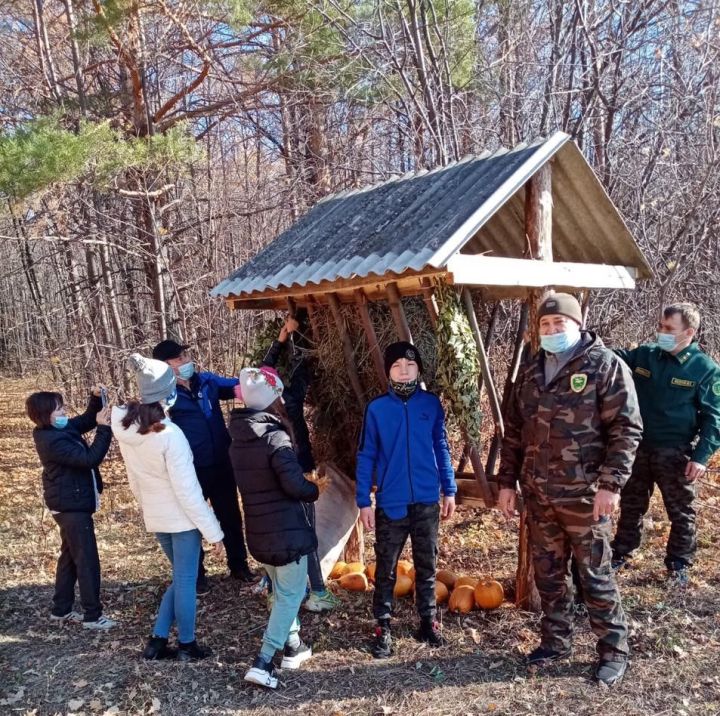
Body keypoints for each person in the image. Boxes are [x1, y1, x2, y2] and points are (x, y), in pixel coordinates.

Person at [497, 293, 643, 687]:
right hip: (539, 494)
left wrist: (611, 485)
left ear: (577, 325)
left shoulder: (605, 366)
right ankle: (555, 641)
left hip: (585, 495)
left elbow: (626, 430)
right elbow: (513, 432)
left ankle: (614, 650)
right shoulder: (530, 371)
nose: (552, 331)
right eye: (545, 326)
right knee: (548, 574)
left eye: (559, 324)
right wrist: (506, 482)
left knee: (594, 573)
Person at [112, 354, 224, 661]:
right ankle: (187, 644)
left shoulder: (129, 431)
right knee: (186, 581)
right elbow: (189, 492)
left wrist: (148, 509)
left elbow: (134, 482)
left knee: (180, 576)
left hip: (157, 518)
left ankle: (157, 640)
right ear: (167, 393)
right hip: (181, 520)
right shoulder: (171, 436)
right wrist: (213, 533)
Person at [356, 341, 456, 659]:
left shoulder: (431, 405)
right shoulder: (377, 409)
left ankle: (427, 621)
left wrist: (449, 489)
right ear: (388, 371)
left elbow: (441, 447)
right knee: (386, 568)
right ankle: (382, 627)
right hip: (391, 502)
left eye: (410, 365)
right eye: (397, 365)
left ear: (418, 370)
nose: (403, 370)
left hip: (426, 499)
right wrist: (363, 501)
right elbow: (366, 455)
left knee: (427, 565)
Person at [612, 302, 720, 586]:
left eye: (669, 328)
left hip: (675, 452)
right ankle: (622, 551)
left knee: (681, 510)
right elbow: (613, 358)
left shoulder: (704, 369)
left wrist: (701, 456)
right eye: (661, 326)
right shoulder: (646, 355)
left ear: (690, 332)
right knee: (631, 504)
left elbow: (714, 418)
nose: (662, 332)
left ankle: (678, 563)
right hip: (637, 446)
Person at [228, 367, 321, 689]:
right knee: (291, 594)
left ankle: (293, 647)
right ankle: (264, 661)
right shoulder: (275, 437)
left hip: (258, 531)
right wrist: (314, 488)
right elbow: (293, 485)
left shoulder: (238, 438)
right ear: (273, 399)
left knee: (283, 592)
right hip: (285, 531)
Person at [152, 339, 254, 590]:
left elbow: (242, 387)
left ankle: (238, 566)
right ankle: (196, 575)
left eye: (185, 357)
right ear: (164, 366)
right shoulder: (163, 397)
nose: (186, 362)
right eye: (178, 359)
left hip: (221, 462)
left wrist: (263, 376)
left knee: (230, 515)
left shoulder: (206, 382)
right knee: (191, 521)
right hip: (190, 470)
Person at [262, 314, 339, 613]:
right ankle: (316, 592)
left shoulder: (256, 411)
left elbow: (264, 370)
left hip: (274, 476)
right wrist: (302, 338)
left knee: (278, 531)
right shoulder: (290, 399)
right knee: (306, 532)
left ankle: (274, 590)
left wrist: (282, 339)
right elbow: (303, 367)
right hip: (300, 472)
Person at [27, 388, 116, 630]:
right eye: (59, 409)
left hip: (68, 502)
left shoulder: (58, 429)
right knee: (86, 559)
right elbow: (89, 458)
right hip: (71, 506)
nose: (64, 412)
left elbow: (86, 419)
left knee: (69, 556)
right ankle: (92, 616)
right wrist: (104, 428)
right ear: (45, 415)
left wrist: (96, 399)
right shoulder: (52, 441)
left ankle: (61, 609)